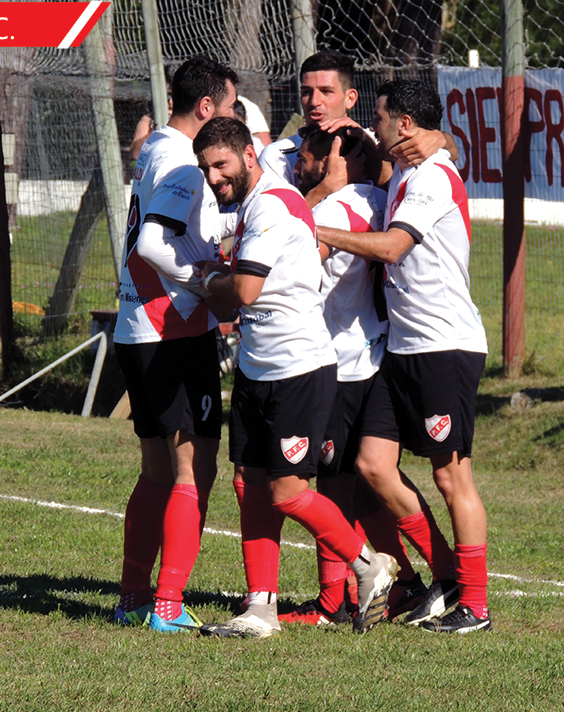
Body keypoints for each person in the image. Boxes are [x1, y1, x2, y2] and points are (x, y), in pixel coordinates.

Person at [194, 117, 398, 637]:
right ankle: (260, 609)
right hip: (257, 366)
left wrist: (200, 278)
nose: (214, 178)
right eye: (205, 169)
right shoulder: (252, 204)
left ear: (246, 156)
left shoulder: (272, 204)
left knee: (287, 491)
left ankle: (368, 565)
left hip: (299, 369)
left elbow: (242, 293)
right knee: (250, 484)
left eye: (220, 165)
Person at [317, 79, 492, 634]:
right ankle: (444, 575)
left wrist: (312, 228)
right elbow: (391, 146)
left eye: (383, 118)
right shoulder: (411, 163)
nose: (377, 126)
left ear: (406, 125)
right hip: (401, 347)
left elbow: (394, 246)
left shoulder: (435, 175)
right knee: (372, 465)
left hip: (445, 346)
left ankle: (476, 605)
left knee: (451, 478)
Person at [276, 124, 430, 628]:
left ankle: (336, 600)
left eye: (304, 156)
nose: (297, 164)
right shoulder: (376, 199)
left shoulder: (332, 208)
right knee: (361, 485)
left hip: (338, 363)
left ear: (334, 158)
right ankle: (406, 582)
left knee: (335, 488)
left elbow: (294, 271)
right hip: (369, 352)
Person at [112, 56, 240, 633]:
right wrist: (206, 283)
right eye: (231, 108)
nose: (233, 119)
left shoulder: (153, 150)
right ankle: (167, 605)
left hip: (138, 328)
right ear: (207, 107)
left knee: (158, 472)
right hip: (172, 328)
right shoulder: (183, 163)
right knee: (196, 469)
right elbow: (152, 245)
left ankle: (134, 598)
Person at [259, 49, 458, 209]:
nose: (314, 101)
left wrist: (443, 139)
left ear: (351, 98)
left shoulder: (379, 140)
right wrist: (325, 188)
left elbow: (394, 196)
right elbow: (271, 226)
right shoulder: (277, 155)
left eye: (326, 92)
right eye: (306, 92)